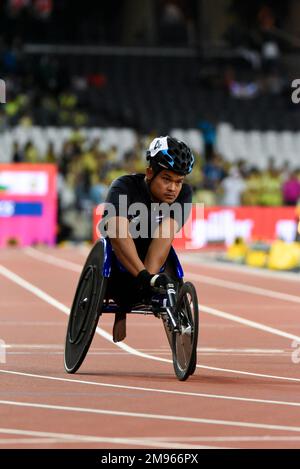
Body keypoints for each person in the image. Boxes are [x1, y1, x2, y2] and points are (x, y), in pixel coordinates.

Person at [100, 136, 194, 342]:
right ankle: (123, 307)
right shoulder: (124, 186)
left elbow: (164, 236)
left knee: (167, 248)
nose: (173, 188)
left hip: (151, 252)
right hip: (119, 255)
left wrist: (149, 281)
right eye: (166, 179)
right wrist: (142, 276)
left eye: (179, 181)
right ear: (150, 173)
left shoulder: (183, 195)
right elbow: (117, 231)